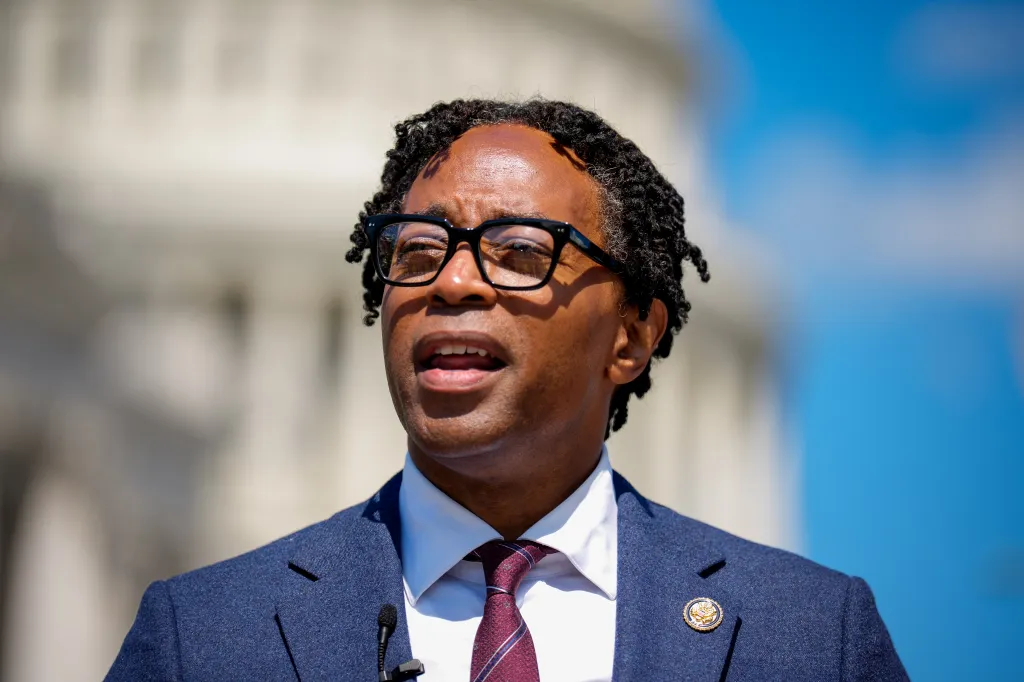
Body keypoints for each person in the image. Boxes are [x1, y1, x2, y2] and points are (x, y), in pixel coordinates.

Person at [106, 99, 907, 681]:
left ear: (630, 336)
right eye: (416, 251)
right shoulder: (206, 637)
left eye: (519, 250)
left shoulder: (807, 639)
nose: (451, 281)